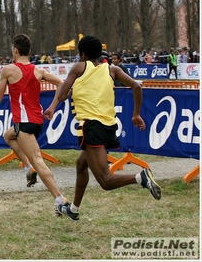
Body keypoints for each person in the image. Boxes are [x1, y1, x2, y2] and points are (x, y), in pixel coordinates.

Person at [55, 35, 161, 221]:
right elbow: (136, 87)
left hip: (91, 127)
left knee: (105, 181)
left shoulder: (79, 67)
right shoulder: (112, 69)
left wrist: (66, 87)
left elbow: (62, 95)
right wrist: (136, 114)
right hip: (109, 126)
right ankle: (74, 208)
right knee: (81, 165)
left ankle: (140, 177)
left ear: (82, 54)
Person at [0, 33, 68, 216]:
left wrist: (5, 82)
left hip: (24, 122)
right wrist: (52, 107)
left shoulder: (8, 70)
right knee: (8, 135)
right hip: (37, 121)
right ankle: (28, 168)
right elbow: (61, 83)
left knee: (39, 160)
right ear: (30, 51)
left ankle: (60, 200)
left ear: (15, 51)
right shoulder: (38, 71)